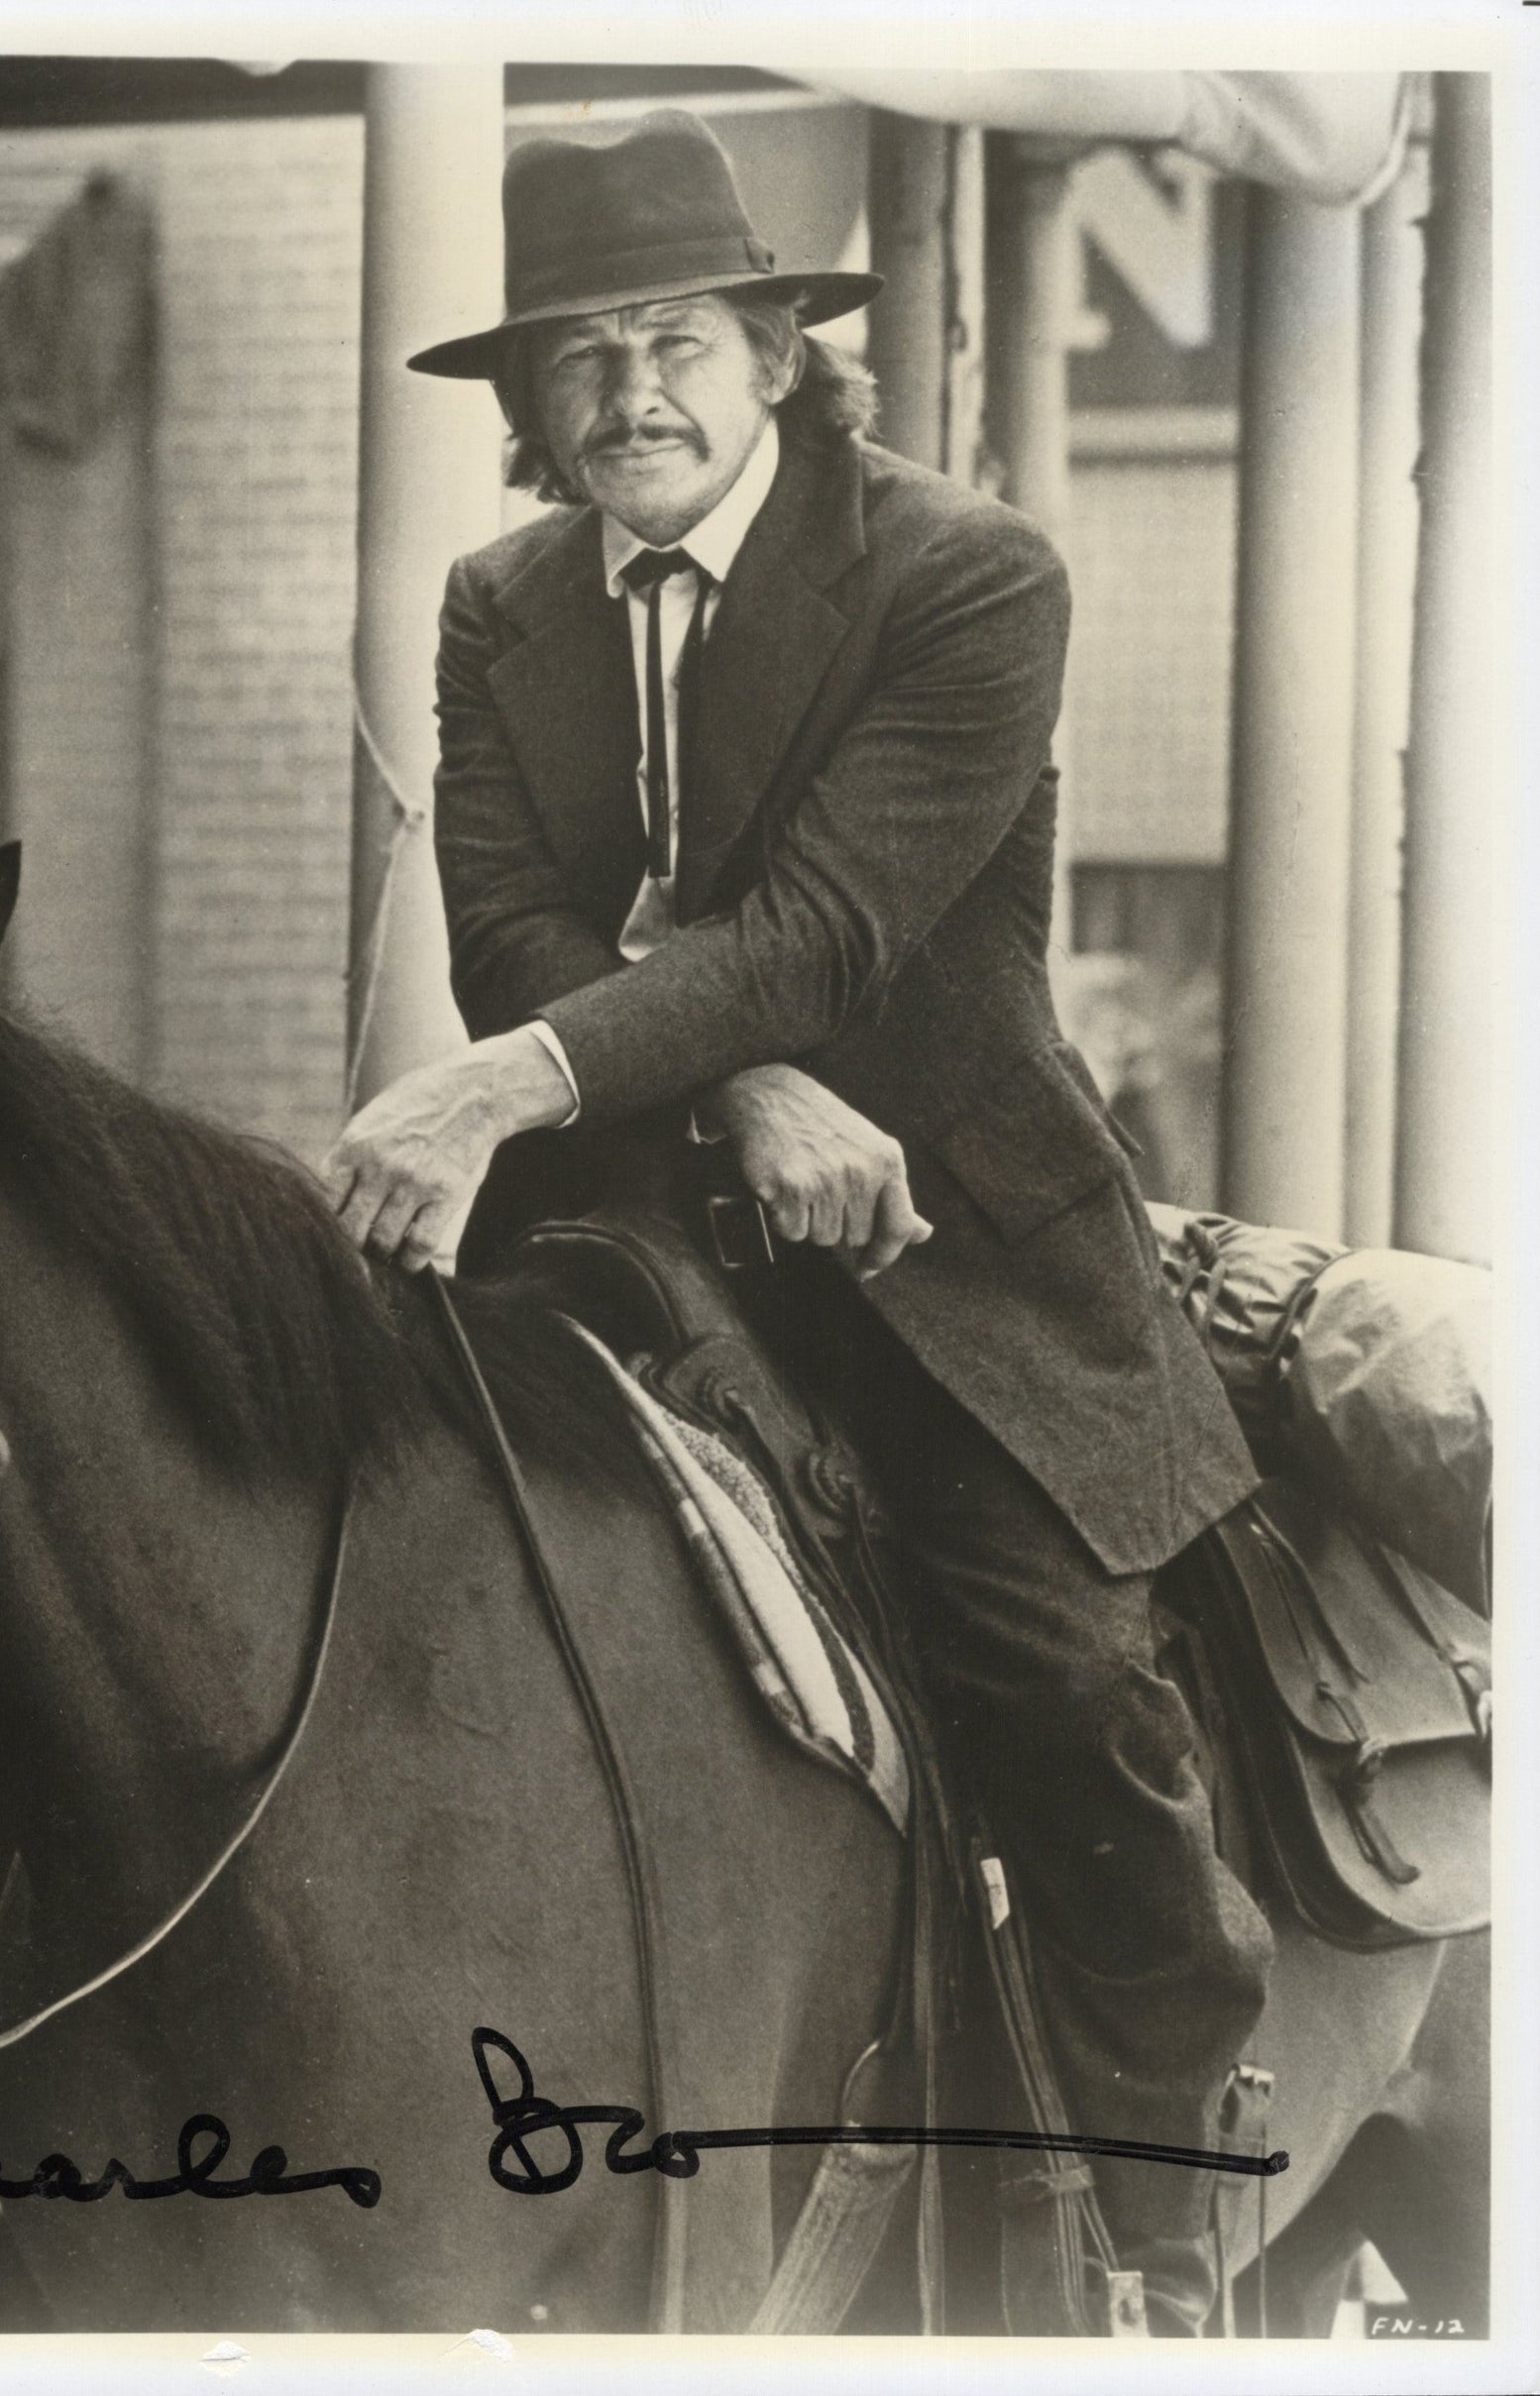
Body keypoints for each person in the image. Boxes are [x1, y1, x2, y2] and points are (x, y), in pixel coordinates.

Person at [320, 107, 1272, 2335]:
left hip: (952, 1269)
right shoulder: (497, 605)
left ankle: (1164, 2231)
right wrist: (719, 1087)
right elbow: (507, 924)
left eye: (674, 338)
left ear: (774, 355)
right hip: (638, 1233)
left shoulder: (967, 573)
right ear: (531, 405)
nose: (628, 391)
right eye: (577, 356)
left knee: (1056, 1681)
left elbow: (834, 930)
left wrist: (520, 1081)